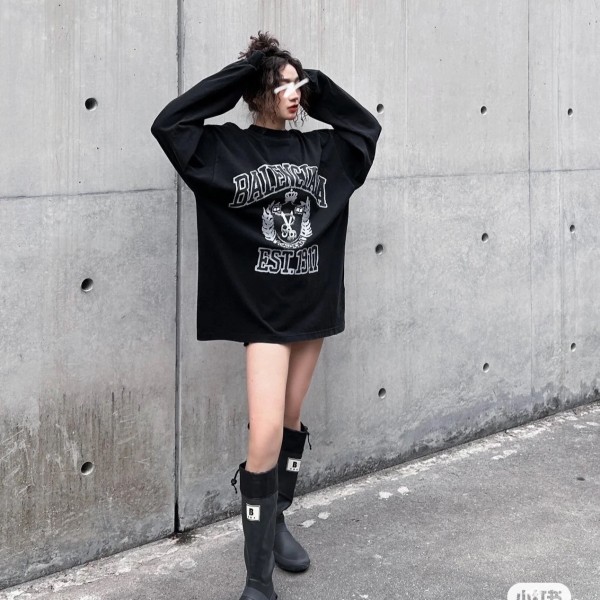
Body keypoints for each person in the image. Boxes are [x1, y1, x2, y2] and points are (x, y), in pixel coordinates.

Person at [151, 31, 381, 600]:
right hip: (263, 315)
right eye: (283, 86)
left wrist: (315, 85)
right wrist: (247, 72)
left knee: (292, 421)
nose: (294, 93)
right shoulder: (226, 149)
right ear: (257, 92)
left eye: (297, 84)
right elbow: (170, 125)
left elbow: (365, 131)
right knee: (267, 432)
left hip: (312, 306)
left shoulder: (323, 150)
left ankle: (276, 520)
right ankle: (257, 580)